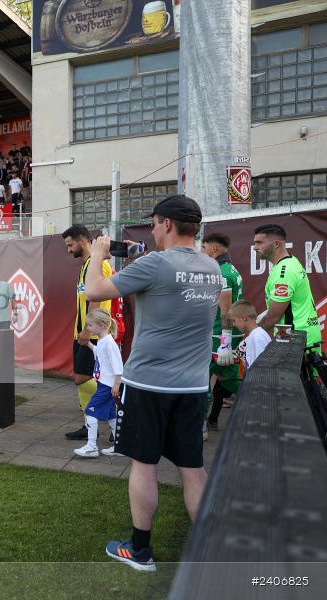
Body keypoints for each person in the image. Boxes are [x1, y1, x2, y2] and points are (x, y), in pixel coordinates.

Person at [85, 194, 221, 572]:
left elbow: (95, 292)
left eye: (154, 223)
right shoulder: (212, 268)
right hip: (193, 387)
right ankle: (211, 551)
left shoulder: (156, 264)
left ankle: (140, 550)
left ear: (166, 224)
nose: (152, 230)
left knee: (143, 464)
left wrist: (98, 253)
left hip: (149, 385)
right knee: (193, 468)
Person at [62, 224, 113, 442]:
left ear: (82, 241)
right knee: (81, 379)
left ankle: (119, 412)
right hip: (83, 333)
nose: (68, 250)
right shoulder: (86, 265)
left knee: (83, 379)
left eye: (70, 245)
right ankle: (89, 424)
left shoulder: (97, 264)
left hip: (92, 333)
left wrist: (86, 329)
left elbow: (97, 298)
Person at [253, 224, 322, 349]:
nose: (255, 248)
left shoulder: (283, 272)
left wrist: (253, 336)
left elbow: (274, 316)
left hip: (297, 340)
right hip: (301, 336)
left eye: (259, 243)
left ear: (277, 244)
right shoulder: (289, 262)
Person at [201, 232, 243, 435]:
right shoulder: (230, 269)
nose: (203, 251)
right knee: (228, 380)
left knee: (202, 378)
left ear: (214, 249)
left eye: (204, 248)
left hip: (220, 336)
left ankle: (200, 427)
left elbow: (226, 311)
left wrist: (225, 342)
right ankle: (265, 403)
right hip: (227, 335)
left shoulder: (222, 272)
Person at [72, 309, 121, 459]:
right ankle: (121, 446)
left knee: (90, 411)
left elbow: (118, 366)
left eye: (90, 325)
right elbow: (100, 354)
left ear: (101, 325)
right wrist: (89, 345)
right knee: (112, 415)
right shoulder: (103, 341)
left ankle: (91, 446)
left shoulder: (109, 343)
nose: (88, 328)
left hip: (107, 386)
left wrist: (116, 385)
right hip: (104, 384)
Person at [227, 300, 272, 371]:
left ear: (244, 318)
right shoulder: (253, 336)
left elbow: (263, 366)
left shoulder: (258, 337)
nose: (233, 324)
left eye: (234, 320)